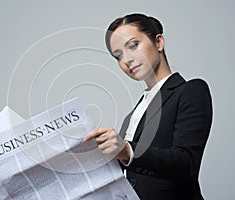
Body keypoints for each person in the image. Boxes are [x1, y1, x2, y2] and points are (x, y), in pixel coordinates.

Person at [84, 13, 213, 200]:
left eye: (133, 46)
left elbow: (186, 163)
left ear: (158, 42)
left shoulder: (190, 91)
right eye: (118, 56)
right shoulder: (134, 115)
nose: (126, 59)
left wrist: (128, 150)